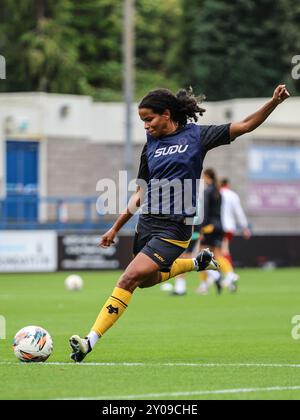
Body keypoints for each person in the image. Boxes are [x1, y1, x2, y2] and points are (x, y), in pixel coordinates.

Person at [69, 84, 290, 362]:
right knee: (146, 280)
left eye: (149, 119)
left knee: (128, 278)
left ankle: (89, 341)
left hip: (175, 228)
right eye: (142, 121)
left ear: (167, 113)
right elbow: (141, 191)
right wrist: (116, 227)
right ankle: (197, 263)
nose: (146, 126)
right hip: (147, 222)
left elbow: (245, 125)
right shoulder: (150, 146)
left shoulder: (197, 136)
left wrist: (274, 103)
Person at [220, 178, 251, 267]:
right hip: (229, 227)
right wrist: (245, 227)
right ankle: (225, 274)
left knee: (220, 250)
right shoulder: (233, 195)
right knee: (224, 250)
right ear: (228, 185)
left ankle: (228, 274)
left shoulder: (216, 193)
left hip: (218, 226)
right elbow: (238, 212)